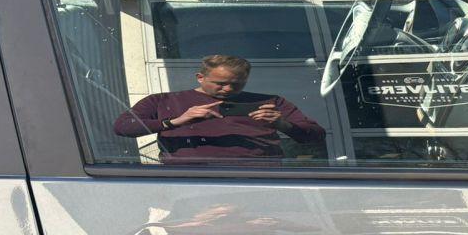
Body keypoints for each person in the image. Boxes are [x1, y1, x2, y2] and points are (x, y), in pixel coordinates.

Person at [113, 55, 325, 162]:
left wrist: (282, 124)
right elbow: (122, 127)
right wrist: (176, 121)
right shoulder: (163, 101)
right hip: (191, 181)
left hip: (259, 180)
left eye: (237, 84)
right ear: (200, 77)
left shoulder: (271, 101)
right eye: (221, 83)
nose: (229, 89)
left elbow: (316, 135)